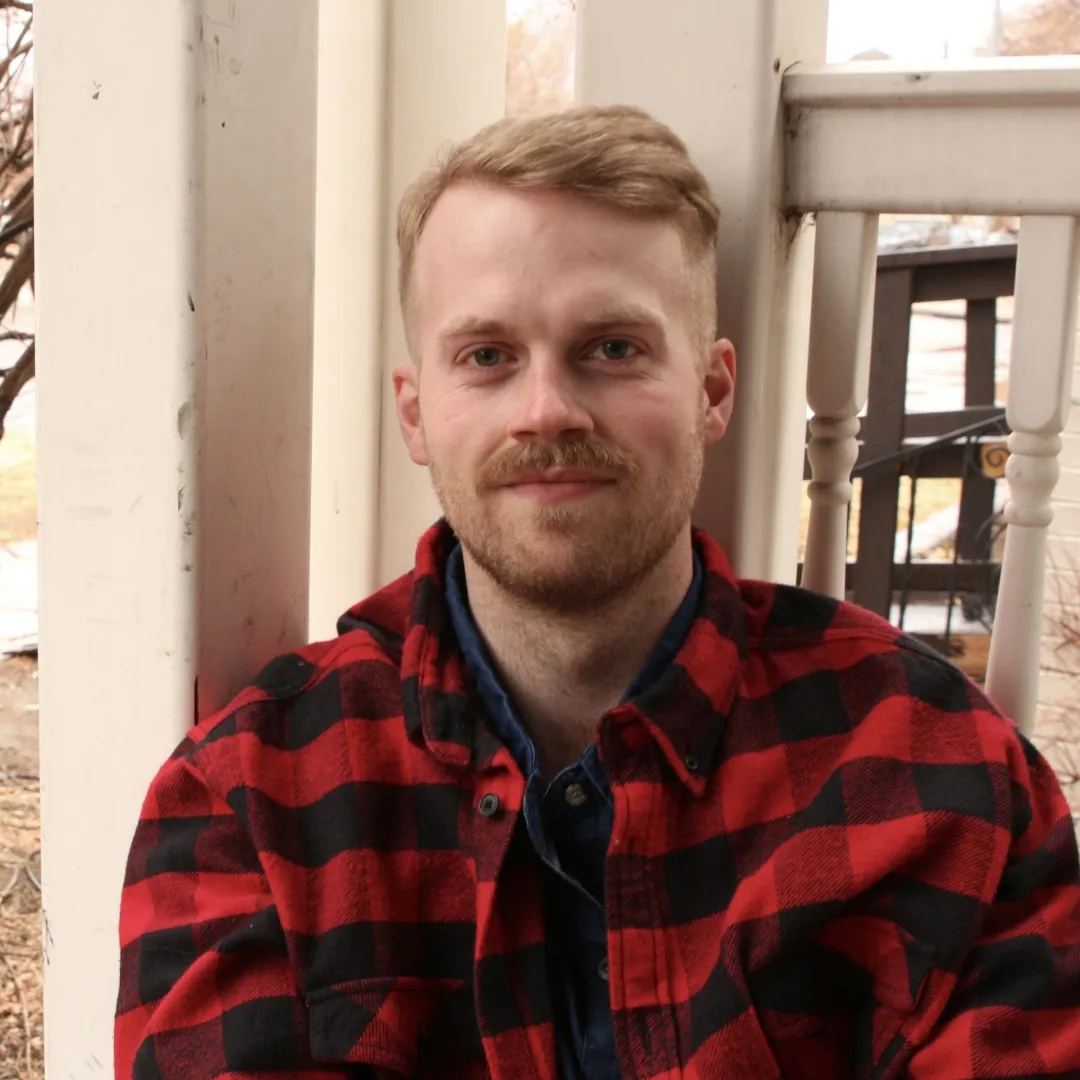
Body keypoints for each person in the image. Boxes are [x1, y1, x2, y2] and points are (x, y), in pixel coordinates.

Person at [115, 106, 1080, 1080]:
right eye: (487, 356)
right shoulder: (252, 800)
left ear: (712, 390)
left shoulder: (938, 775)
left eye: (613, 348)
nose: (548, 411)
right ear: (416, 413)